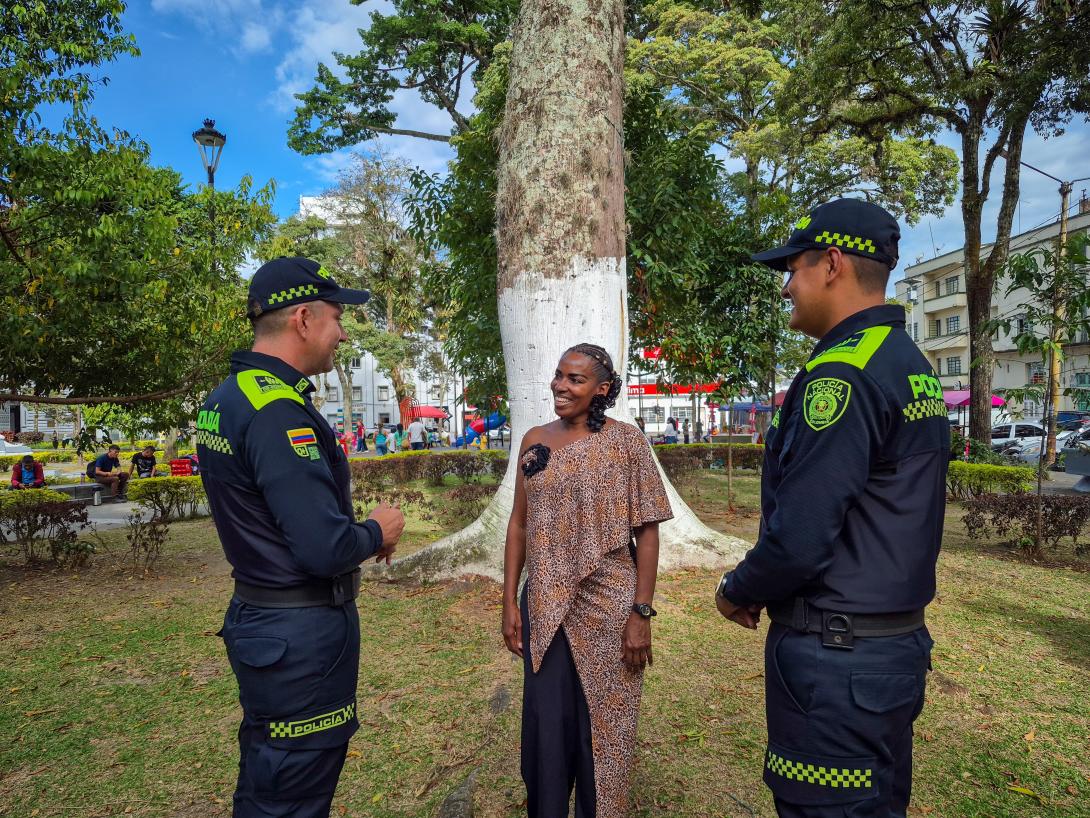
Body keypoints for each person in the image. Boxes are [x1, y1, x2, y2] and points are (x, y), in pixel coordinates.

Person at [714, 199, 948, 818]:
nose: (787, 286)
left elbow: (802, 533)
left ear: (833, 264)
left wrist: (738, 588)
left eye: (793, 268)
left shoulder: (840, 375)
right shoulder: (908, 365)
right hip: (890, 650)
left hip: (837, 663)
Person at [195, 256, 406, 818]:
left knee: (268, 781)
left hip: (264, 622)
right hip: (300, 640)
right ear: (305, 319)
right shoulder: (276, 412)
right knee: (292, 794)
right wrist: (374, 530)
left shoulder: (229, 397)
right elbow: (322, 549)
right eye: (338, 317)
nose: (341, 333)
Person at [502, 343, 673, 817]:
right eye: (558, 375)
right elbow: (519, 523)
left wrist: (641, 612)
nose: (560, 386)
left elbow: (648, 530)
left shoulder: (626, 442)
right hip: (544, 600)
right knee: (548, 724)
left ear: (602, 390)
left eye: (575, 379)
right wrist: (510, 602)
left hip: (612, 605)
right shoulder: (534, 440)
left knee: (607, 724)